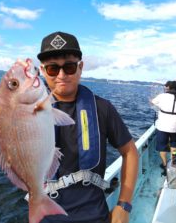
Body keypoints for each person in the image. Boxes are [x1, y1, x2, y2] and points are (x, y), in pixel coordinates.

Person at [37, 31, 139, 223]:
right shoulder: (28, 111)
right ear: (43, 71)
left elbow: (130, 152)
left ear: (80, 67)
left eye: (69, 67)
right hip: (44, 215)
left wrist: (124, 205)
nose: (61, 75)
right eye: (52, 69)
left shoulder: (103, 108)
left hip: (94, 215)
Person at [151, 80, 176, 176]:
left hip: (162, 126)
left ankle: (165, 166)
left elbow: (152, 102)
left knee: (162, 147)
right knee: (174, 145)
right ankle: (174, 164)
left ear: (169, 88)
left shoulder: (162, 96)